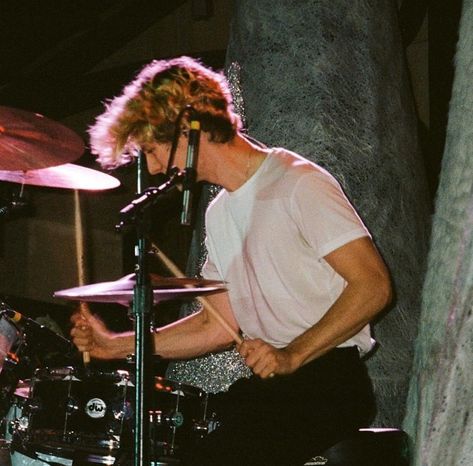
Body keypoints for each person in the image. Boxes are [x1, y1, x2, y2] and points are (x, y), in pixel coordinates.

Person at [71, 56, 392, 465]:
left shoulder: (297, 183)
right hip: (278, 384)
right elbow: (214, 324)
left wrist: (292, 354)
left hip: (329, 380)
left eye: (153, 150)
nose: (151, 168)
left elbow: (374, 285)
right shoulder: (219, 212)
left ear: (191, 128)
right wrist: (118, 347)